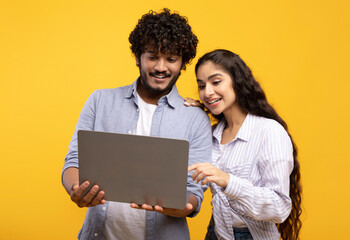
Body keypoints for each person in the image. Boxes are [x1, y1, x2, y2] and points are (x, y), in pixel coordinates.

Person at [62, 8, 212, 240]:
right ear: (138, 57)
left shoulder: (195, 118)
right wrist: (75, 190)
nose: (161, 67)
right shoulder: (100, 100)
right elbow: (74, 161)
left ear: (182, 63)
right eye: (152, 56)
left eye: (171, 59)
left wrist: (179, 207)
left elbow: (194, 193)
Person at [185, 49, 302, 240]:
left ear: (237, 81)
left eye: (216, 82)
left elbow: (279, 208)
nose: (207, 92)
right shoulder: (212, 134)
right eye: (201, 85)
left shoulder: (269, 131)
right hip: (216, 233)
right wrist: (193, 115)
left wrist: (228, 181)